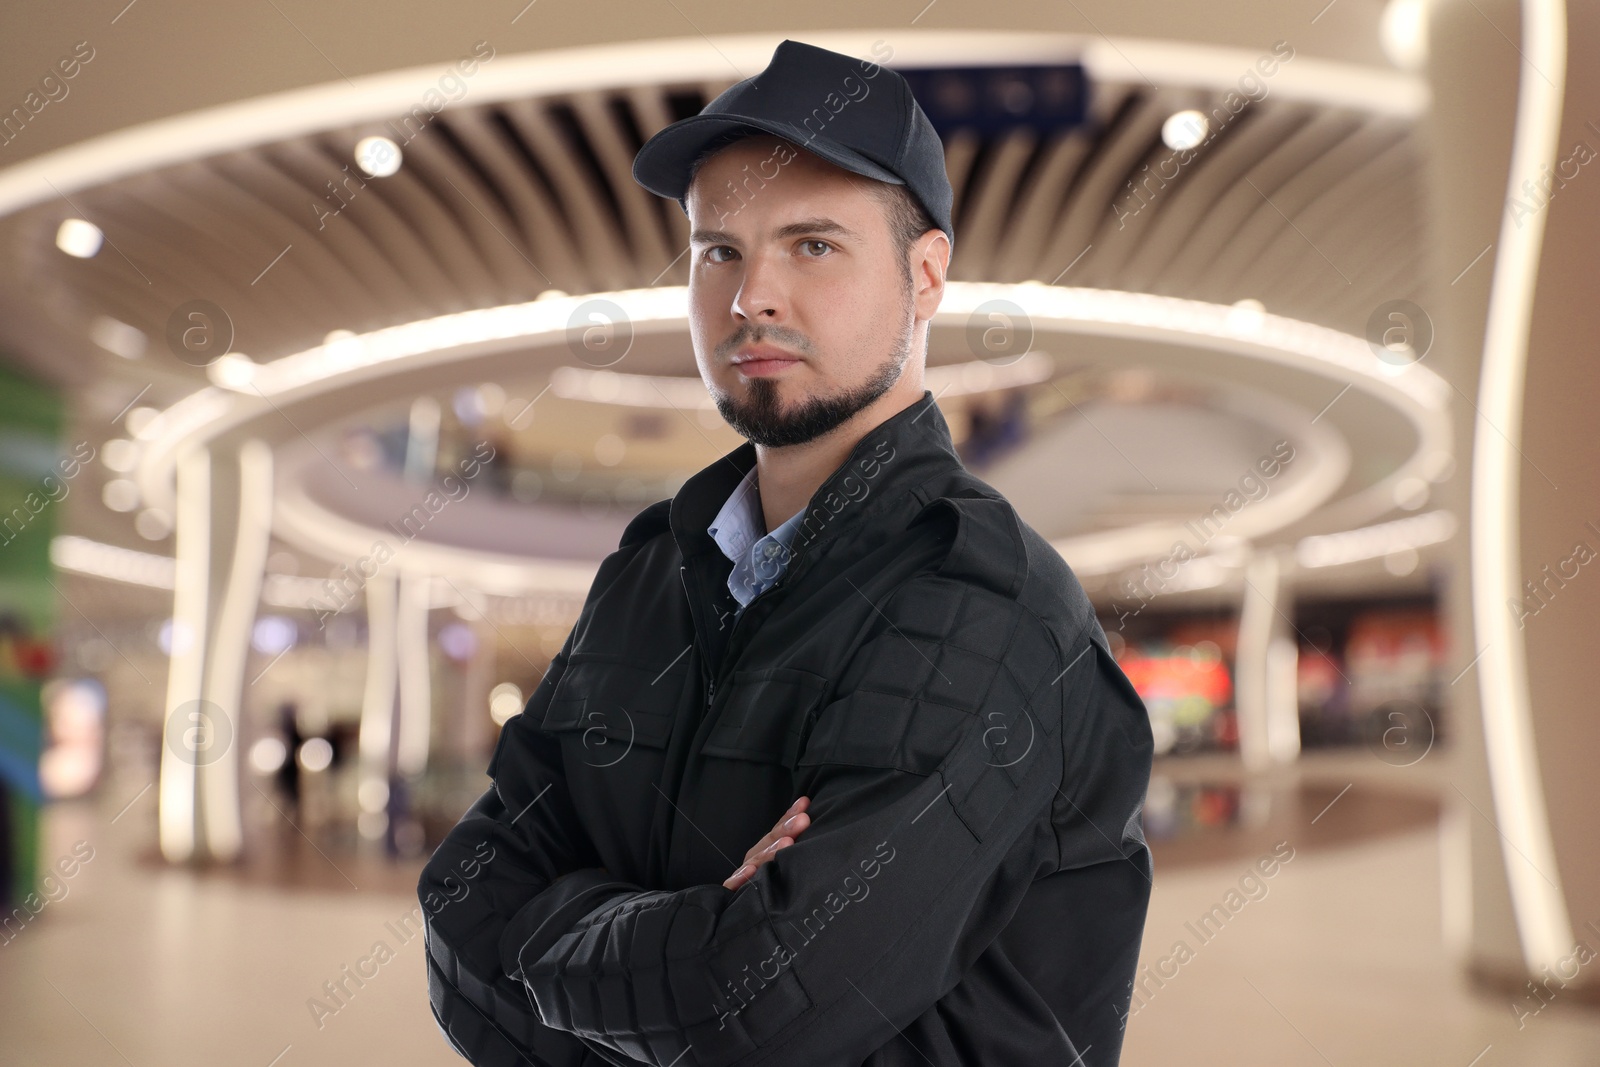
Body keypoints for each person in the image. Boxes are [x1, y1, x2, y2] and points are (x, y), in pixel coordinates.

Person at [420, 38, 1154, 1067]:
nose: (749, 295)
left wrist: (560, 929)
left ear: (926, 273)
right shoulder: (649, 572)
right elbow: (457, 912)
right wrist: (677, 943)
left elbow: (755, 1012)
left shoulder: (978, 601)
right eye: (717, 249)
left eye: (812, 245)